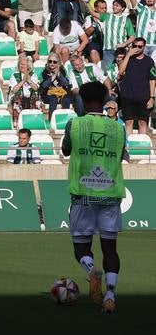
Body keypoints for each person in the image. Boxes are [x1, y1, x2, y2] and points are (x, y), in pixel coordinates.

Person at [62, 80, 126, 313]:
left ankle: (92, 271)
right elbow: (119, 156)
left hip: (83, 194)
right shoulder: (118, 127)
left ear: (83, 100)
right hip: (110, 193)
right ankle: (110, 295)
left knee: (81, 248)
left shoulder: (74, 124)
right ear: (105, 100)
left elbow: (66, 150)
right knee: (110, 249)